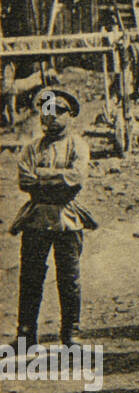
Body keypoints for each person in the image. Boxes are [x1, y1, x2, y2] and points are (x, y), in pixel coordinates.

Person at [12, 88, 93, 348]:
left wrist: (42, 177)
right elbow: (25, 180)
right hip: (36, 218)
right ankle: (25, 334)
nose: (52, 117)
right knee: (31, 276)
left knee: (69, 277)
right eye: (47, 112)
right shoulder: (31, 148)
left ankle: (71, 333)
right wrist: (55, 177)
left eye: (59, 111)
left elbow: (75, 179)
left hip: (66, 218)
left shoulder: (78, 145)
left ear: (71, 116)